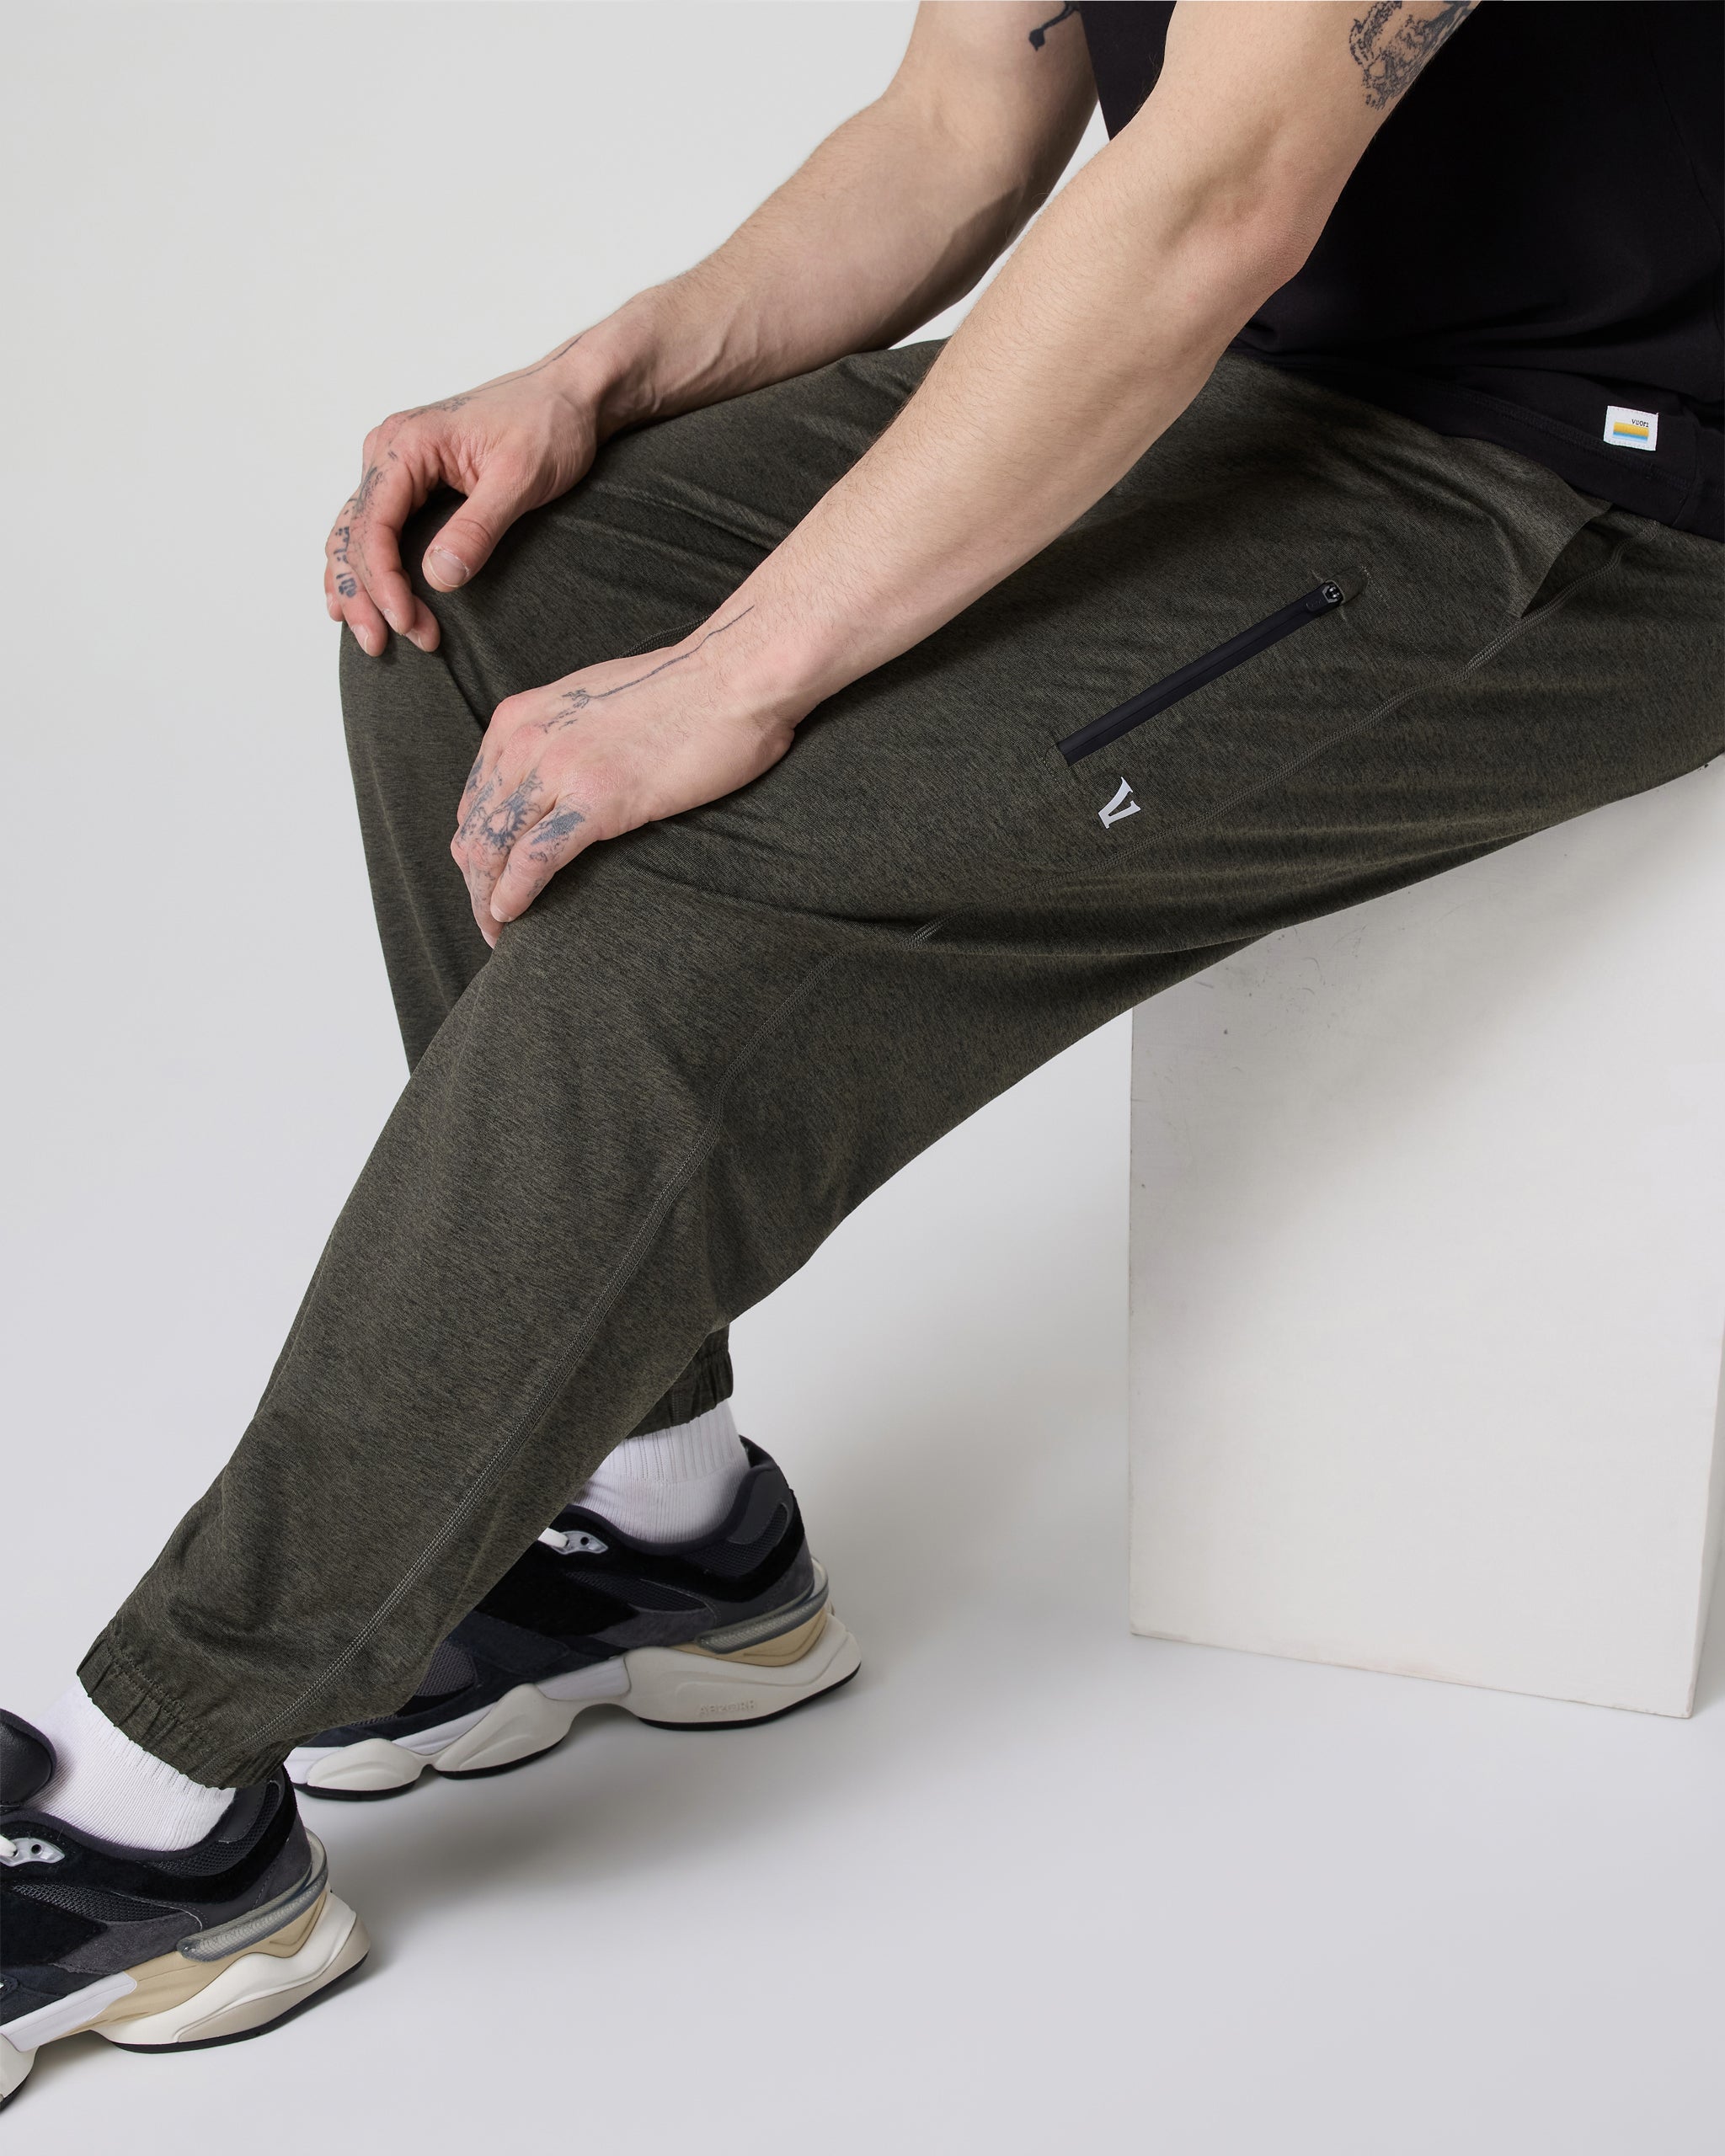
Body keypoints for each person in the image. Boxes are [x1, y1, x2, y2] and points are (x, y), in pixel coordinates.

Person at [3, 0, 1719, 2106]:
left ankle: (152, 1797)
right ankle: (656, 1519)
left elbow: (1213, 195)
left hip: (1588, 491)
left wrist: (732, 679)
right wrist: (591, 379)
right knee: (482, 596)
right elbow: (959, 117)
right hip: (1256, 390)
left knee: (700, 908)